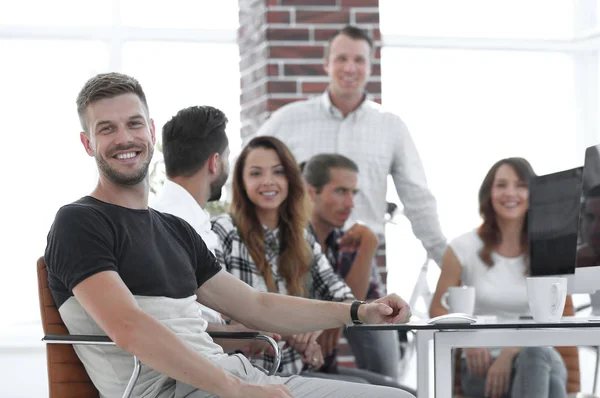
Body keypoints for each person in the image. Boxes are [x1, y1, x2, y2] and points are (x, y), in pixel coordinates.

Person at [45, 72, 413, 398]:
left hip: (230, 379)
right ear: (87, 143)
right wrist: (238, 391)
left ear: (152, 131)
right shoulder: (79, 222)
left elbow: (257, 305)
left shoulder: (175, 229)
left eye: (134, 124)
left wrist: (360, 311)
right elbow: (129, 327)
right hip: (175, 389)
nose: (124, 138)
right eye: (106, 128)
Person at [211, 136, 408, 391]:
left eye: (278, 172)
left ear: (290, 179)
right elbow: (219, 316)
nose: (268, 181)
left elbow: (342, 297)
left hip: (295, 374)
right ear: (242, 182)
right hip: (246, 376)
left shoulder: (301, 236)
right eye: (256, 173)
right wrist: (292, 329)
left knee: (398, 392)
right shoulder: (222, 230)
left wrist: (312, 330)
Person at [255, 25, 447, 265]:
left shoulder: (391, 127)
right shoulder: (288, 120)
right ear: (327, 63)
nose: (349, 68)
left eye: (359, 60)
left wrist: (448, 263)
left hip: (362, 261)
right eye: (341, 59)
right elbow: (245, 176)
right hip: (296, 257)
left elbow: (418, 200)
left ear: (370, 66)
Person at [429, 158, 567, 398]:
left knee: (535, 355)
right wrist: (468, 340)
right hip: (483, 364)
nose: (510, 193)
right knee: (548, 378)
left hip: (538, 357)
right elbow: (437, 309)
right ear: (489, 193)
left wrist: (512, 350)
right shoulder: (463, 247)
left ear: (533, 192)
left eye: (520, 185)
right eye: (501, 185)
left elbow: (557, 314)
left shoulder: (547, 249)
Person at [152, 105, 271, 356]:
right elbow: (190, 336)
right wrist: (249, 335)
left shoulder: (178, 217)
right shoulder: (177, 225)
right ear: (215, 162)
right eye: (227, 157)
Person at [303, 153, 401, 381]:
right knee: (386, 393)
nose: (350, 203)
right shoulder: (295, 241)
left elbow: (357, 306)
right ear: (311, 192)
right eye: (340, 191)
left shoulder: (343, 242)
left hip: (326, 368)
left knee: (404, 391)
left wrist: (369, 245)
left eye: (353, 193)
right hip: (300, 367)